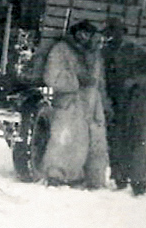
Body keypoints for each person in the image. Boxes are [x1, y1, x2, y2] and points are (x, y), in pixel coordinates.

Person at [101, 17, 146, 195]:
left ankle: (139, 181)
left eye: (116, 31)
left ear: (123, 32)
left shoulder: (134, 49)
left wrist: (135, 81)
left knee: (137, 140)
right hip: (115, 101)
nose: (113, 36)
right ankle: (120, 177)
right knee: (116, 139)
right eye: (110, 32)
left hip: (135, 101)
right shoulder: (105, 52)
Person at [42, 20, 108, 188]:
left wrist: (103, 103)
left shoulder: (94, 54)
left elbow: (99, 81)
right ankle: (56, 175)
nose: (83, 36)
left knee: (91, 143)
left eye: (88, 34)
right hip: (69, 103)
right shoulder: (61, 50)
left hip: (91, 104)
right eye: (81, 32)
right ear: (74, 33)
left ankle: (86, 177)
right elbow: (52, 76)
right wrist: (77, 80)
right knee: (62, 139)